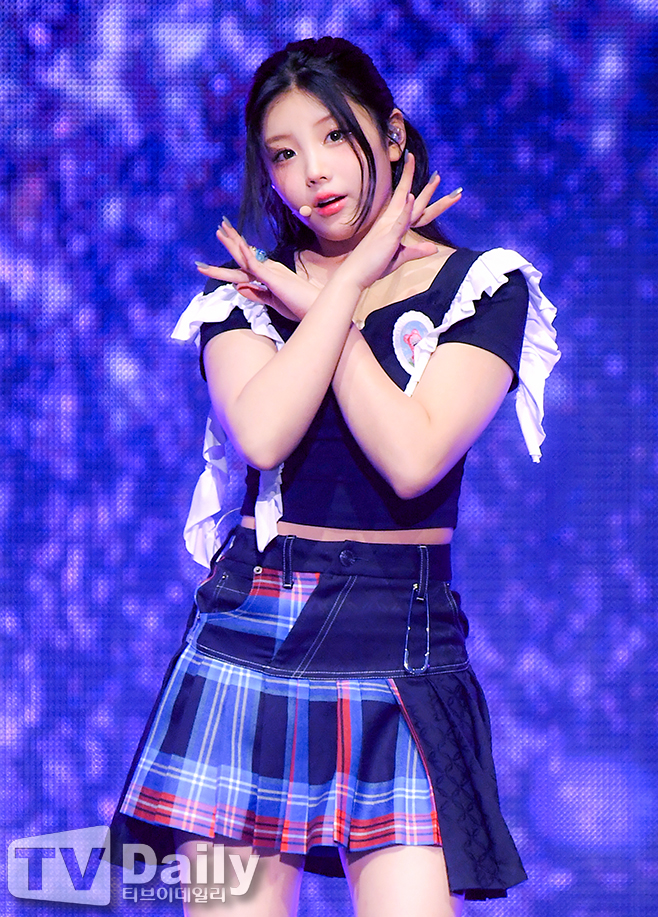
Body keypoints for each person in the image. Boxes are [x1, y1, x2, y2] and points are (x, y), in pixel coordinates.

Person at [111, 36, 559, 917]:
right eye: (283, 154)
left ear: (391, 135)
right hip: (253, 637)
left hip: (403, 648)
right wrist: (349, 278)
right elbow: (264, 434)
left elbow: (413, 456)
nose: (312, 172)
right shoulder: (245, 295)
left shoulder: (480, 286)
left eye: (333, 137)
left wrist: (331, 305)